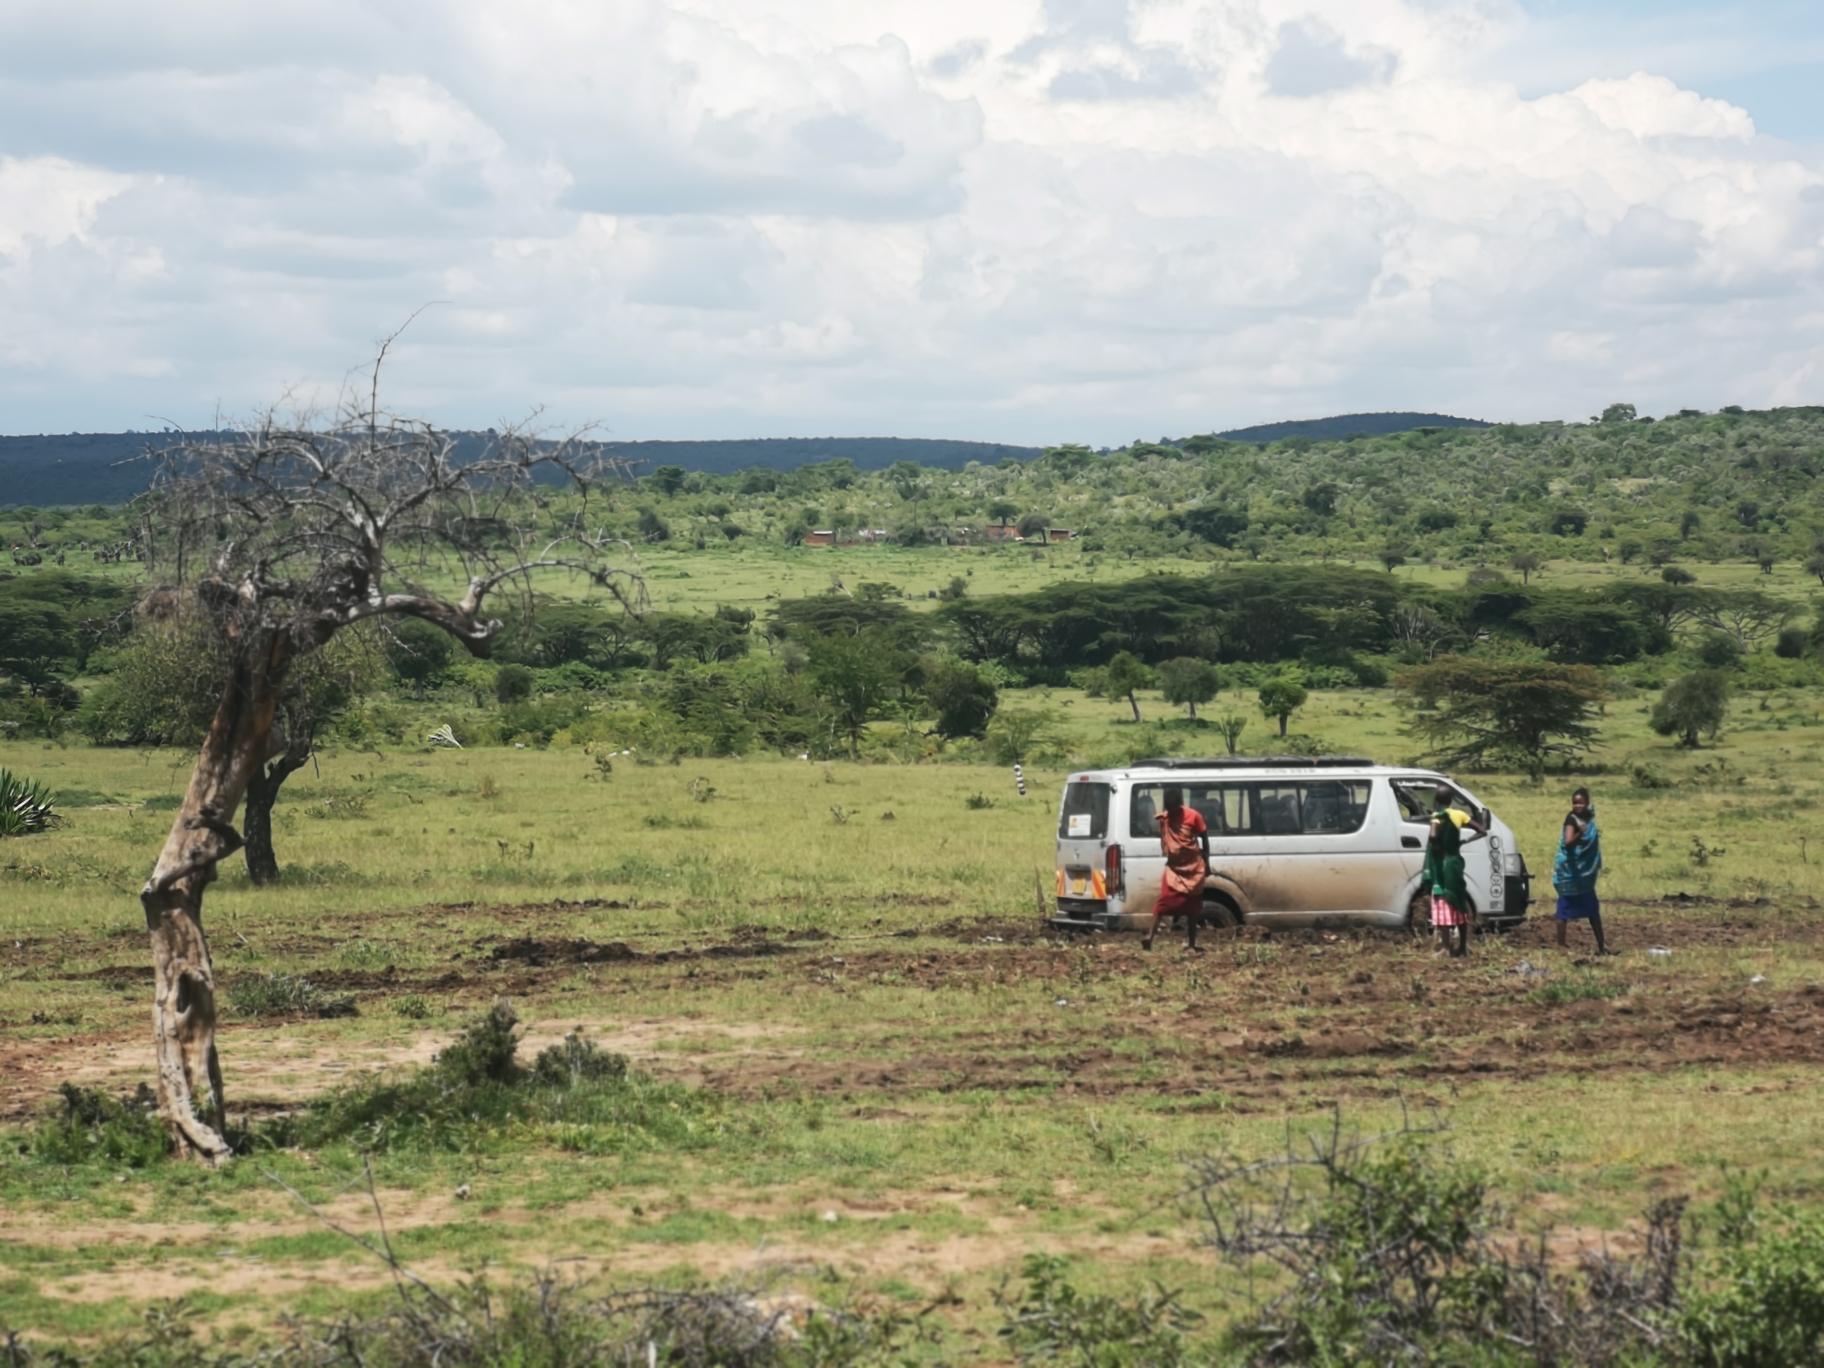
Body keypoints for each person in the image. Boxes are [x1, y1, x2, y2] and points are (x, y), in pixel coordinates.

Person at [1423, 783, 1486, 957]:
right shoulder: (1460, 814)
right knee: (1458, 901)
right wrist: (1463, 842)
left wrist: (1435, 847)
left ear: (1436, 800)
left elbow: (1433, 835)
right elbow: (1482, 830)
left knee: (1443, 901)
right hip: (1455, 861)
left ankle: (1445, 948)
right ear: (1451, 800)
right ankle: (1463, 947)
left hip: (1442, 864)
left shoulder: (1438, 816)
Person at [1145, 786, 1210, 952]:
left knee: (1193, 908)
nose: (1170, 811)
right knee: (1163, 901)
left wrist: (1207, 862)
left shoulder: (1193, 816)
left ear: (1179, 805)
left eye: (1173, 808)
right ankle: (1149, 937)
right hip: (1174, 868)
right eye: (1167, 808)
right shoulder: (1165, 819)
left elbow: (1204, 837)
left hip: (1193, 868)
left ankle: (1192, 943)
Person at [1553, 786, 1610, 954]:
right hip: (1571, 872)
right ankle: (1561, 946)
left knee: (1593, 910)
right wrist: (1580, 834)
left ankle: (1601, 946)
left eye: (1581, 803)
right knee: (1563, 910)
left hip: (1583, 876)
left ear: (1587, 803)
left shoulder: (1588, 817)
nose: (1577, 806)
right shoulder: (1572, 819)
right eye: (1575, 803)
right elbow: (1568, 842)